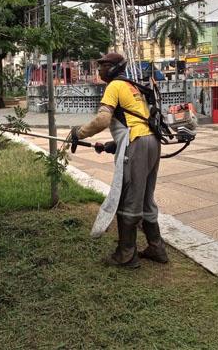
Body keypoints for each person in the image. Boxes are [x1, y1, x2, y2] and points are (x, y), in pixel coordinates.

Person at [70, 52, 169, 267]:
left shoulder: (114, 86)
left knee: (128, 198)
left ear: (114, 68)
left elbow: (103, 119)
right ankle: (156, 247)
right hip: (151, 142)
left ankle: (126, 255)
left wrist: (79, 133)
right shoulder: (132, 85)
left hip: (138, 143)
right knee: (145, 198)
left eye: (103, 66)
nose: (99, 70)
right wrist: (112, 145)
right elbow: (133, 121)